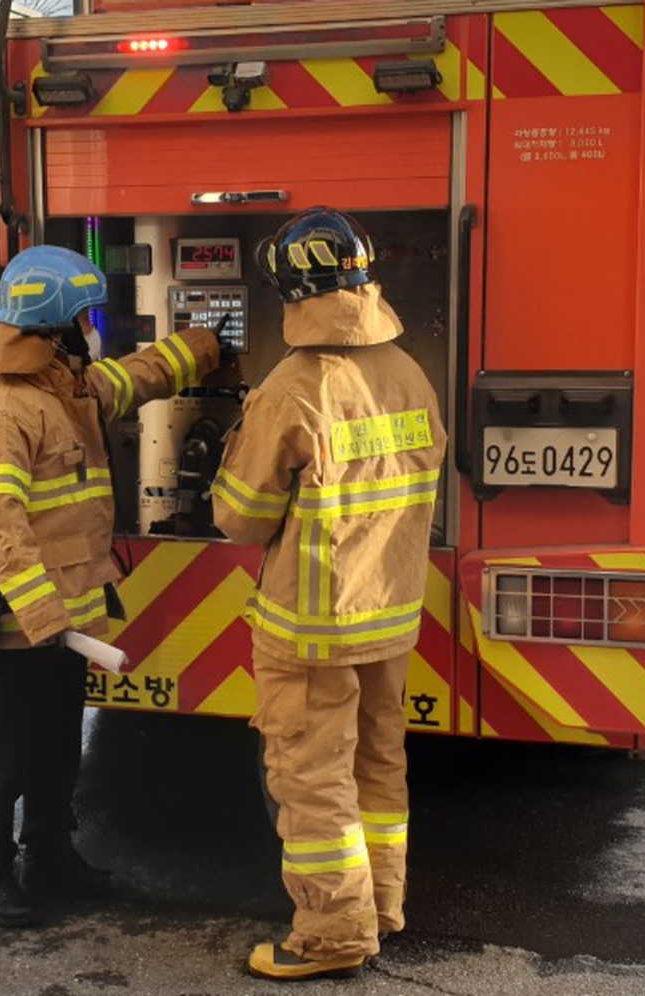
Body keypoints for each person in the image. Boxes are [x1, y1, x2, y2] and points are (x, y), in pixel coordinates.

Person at [0, 244, 220, 928]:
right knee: (8, 756)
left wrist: (206, 345)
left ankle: (49, 856)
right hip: (22, 620)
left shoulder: (67, 390)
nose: (90, 332)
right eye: (82, 321)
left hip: (65, 617)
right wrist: (40, 616)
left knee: (58, 747)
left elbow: (134, 378)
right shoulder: (9, 411)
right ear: (56, 329)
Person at [211, 208, 447, 981]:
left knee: (312, 785)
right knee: (378, 766)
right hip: (390, 616)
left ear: (290, 289)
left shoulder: (294, 387)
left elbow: (242, 521)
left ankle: (333, 935)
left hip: (312, 628)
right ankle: (380, 907)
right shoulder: (410, 373)